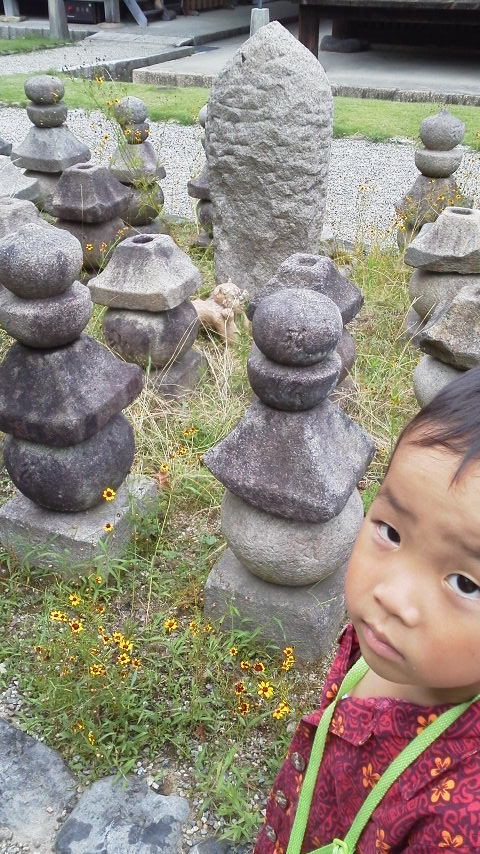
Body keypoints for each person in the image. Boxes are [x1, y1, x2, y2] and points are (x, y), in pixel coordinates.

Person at [254, 368, 480, 854]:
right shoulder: (382, 642)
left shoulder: (462, 823)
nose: (392, 596)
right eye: (392, 533)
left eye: (466, 583)